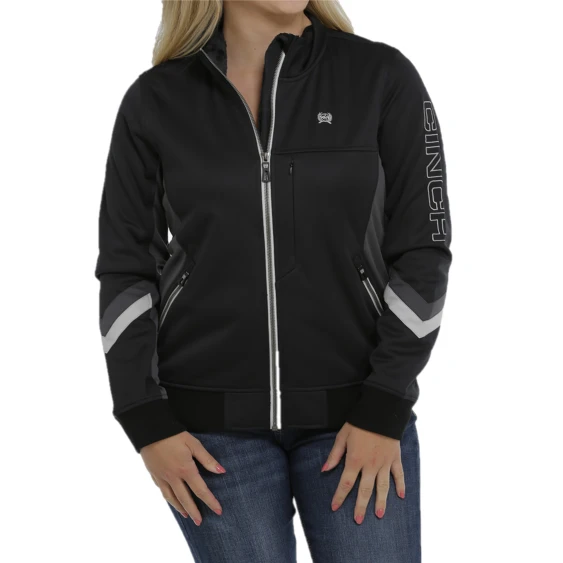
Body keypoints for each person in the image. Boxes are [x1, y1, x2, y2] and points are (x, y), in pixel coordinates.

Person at [94, 1, 452, 561]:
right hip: (210, 435)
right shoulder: (157, 100)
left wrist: (383, 406)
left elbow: (424, 252)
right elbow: (126, 267)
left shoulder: (380, 77)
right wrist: (145, 419)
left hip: (358, 418)